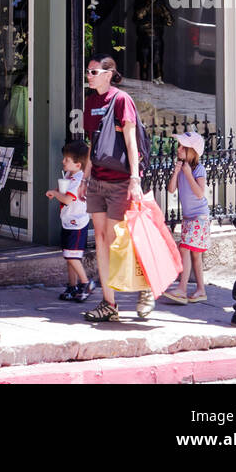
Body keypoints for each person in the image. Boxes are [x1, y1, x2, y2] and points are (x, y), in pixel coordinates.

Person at [82, 56, 152, 321]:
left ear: (108, 74)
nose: (89, 75)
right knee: (99, 239)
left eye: (93, 71)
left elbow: (131, 141)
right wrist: (85, 179)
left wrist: (135, 178)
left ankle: (144, 287)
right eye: (88, 72)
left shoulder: (121, 100)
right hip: (98, 181)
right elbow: (93, 145)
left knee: (115, 241)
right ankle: (109, 303)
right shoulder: (91, 103)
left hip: (120, 181)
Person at [45, 140, 95, 302]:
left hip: (77, 223)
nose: (63, 162)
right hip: (68, 220)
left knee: (71, 255)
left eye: (66, 160)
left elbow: (67, 199)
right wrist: (59, 191)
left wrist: (54, 192)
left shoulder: (79, 179)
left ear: (78, 165)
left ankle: (86, 283)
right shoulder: (69, 175)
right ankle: (72, 286)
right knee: (70, 256)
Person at [163, 131, 209, 303]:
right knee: (194, 255)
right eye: (179, 145)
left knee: (185, 248)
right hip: (189, 217)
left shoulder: (198, 169)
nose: (179, 149)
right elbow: (171, 189)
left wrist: (188, 174)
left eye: (183, 147)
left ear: (192, 151)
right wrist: (176, 173)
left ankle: (182, 289)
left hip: (199, 217)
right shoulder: (182, 168)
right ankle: (201, 291)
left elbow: (199, 193)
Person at [132, 0, 173, 84]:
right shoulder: (139, 3)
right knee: (144, 65)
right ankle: (144, 87)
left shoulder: (159, 3)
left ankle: (159, 86)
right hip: (143, 40)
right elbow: (138, 16)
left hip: (157, 39)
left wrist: (163, 9)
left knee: (158, 64)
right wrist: (149, 4)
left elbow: (170, 22)